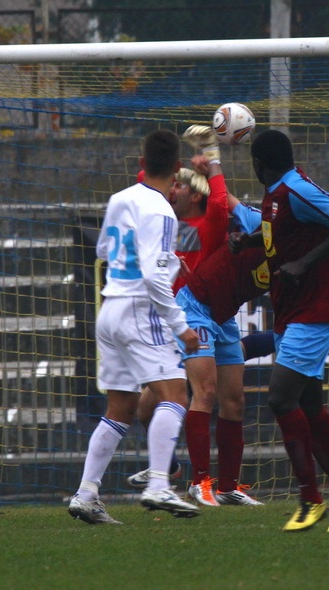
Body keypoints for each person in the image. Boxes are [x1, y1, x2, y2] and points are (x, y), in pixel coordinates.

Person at [231, 129, 329, 533]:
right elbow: (280, 234)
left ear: (258, 163)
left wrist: (305, 264)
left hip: (316, 309)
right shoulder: (276, 193)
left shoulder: (296, 189)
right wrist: (249, 241)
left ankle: (310, 498)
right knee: (308, 405)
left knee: (279, 397)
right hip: (292, 311)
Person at [128, 127, 269, 507]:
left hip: (219, 314)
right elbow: (151, 180)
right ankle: (196, 480)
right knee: (190, 395)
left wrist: (209, 168)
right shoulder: (171, 219)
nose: (173, 190)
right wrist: (209, 161)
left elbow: (222, 203)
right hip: (188, 311)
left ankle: (227, 486)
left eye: (180, 186)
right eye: (172, 185)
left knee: (234, 399)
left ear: (194, 194)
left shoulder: (216, 224)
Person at [67, 129, 202, 524]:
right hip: (140, 309)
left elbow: (103, 250)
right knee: (176, 394)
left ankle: (86, 493)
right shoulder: (162, 210)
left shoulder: (119, 198)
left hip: (109, 307)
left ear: (143, 165)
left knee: (120, 407)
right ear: (177, 168)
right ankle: (159, 484)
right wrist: (180, 326)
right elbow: (154, 276)